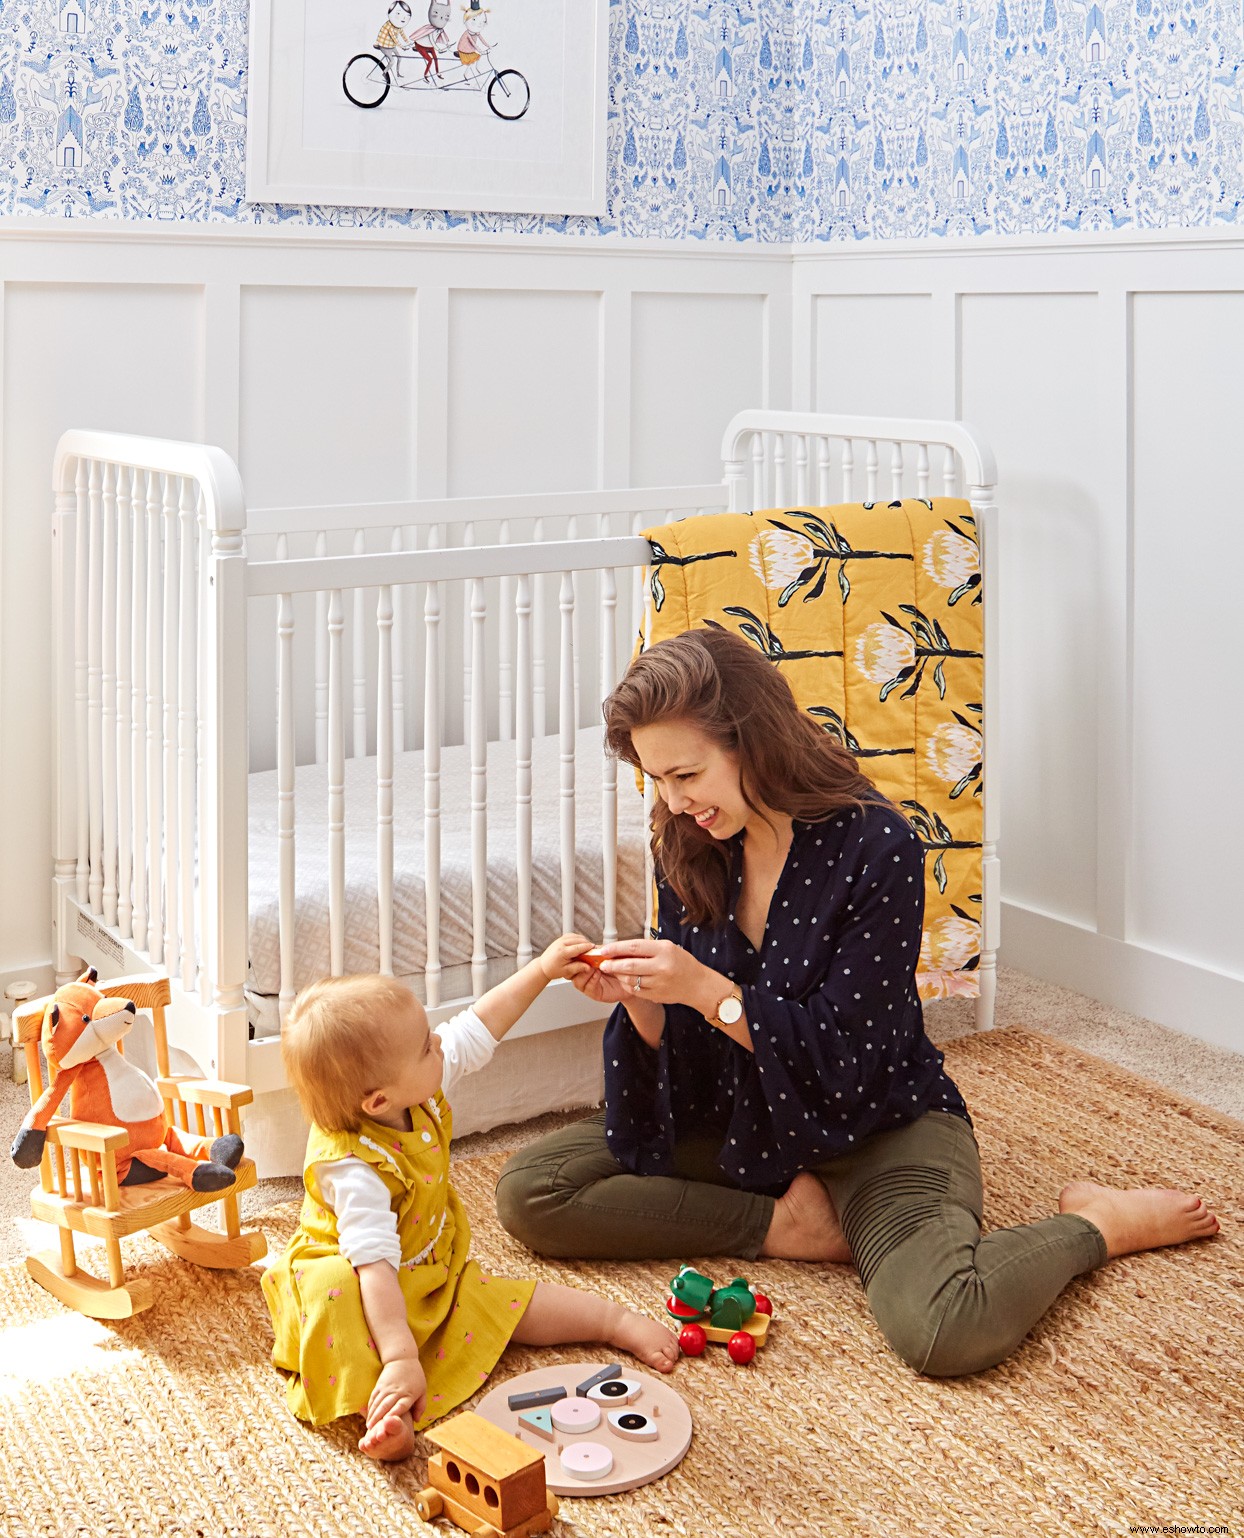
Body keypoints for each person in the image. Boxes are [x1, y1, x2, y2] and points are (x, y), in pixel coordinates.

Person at [496, 627, 1220, 1377]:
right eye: (657, 781)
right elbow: (683, 1064)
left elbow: (849, 1060)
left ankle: (1095, 1222)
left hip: (876, 1123)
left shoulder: (877, 847)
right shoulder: (685, 839)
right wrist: (645, 1005)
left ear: (752, 740)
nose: (675, 803)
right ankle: (788, 1227)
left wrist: (709, 992)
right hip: (746, 1120)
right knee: (532, 1190)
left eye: (687, 774)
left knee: (944, 1328)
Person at [262, 941, 679, 1463]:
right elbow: (373, 1267)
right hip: (365, 1285)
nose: (438, 1041)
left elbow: (479, 1026)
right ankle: (392, 1413)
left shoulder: (415, 1085)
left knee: (500, 1301)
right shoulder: (352, 1169)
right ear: (377, 1102)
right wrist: (398, 1355)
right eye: (424, 1046)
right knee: (344, 1311)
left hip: (429, 1270)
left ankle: (612, 1322)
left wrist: (542, 969)